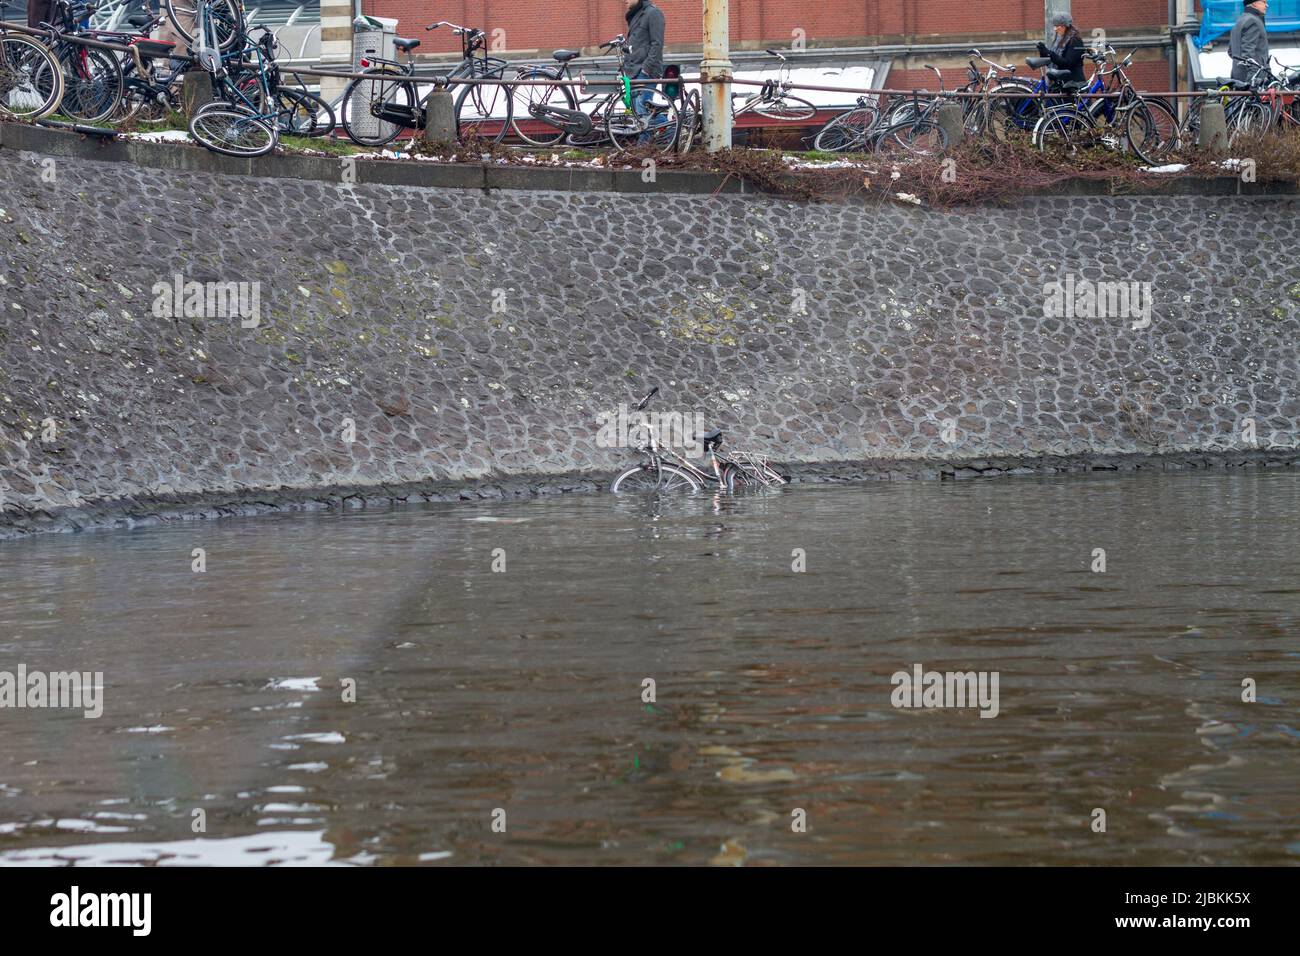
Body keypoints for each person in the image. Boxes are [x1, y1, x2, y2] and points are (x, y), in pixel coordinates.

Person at [622, 0, 665, 123]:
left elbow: (657, 44)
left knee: (642, 109)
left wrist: (646, 68)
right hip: (633, 69)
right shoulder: (636, 14)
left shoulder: (653, 13)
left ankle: (669, 132)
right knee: (637, 111)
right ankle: (671, 133)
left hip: (646, 70)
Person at [1036, 12, 1086, 86]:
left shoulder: (1075, 41)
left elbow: (1068, 63)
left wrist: (1050, 53)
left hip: (1072, 83)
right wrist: (1043, 52)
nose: (1055, 29)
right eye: (1054, 26)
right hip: (1059, 82)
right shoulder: (1059, 40)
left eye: (1057, 26)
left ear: (1065, 26)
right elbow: (1052, 60)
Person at [1229, 0, 1270, 85]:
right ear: (1254, 3)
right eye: (1263, 2)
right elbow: (1248, 54)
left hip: (1238, 76)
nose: (1267, 5)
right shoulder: (1253, 21)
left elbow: (1231, 51)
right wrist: (1253, 78)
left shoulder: (1240, 20)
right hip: (1252, 80)